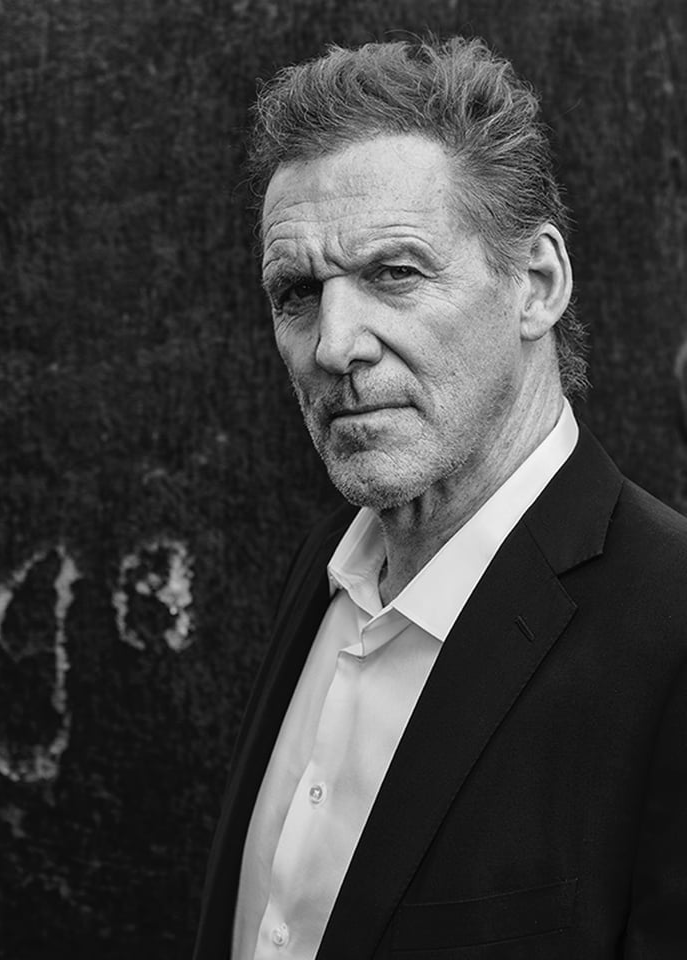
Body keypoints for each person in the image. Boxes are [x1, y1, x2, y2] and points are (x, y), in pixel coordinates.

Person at [194, 36, 687, 959]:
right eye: (297, 293)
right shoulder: (323, 572)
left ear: (536, 285)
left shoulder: (671, 628)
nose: (335, 345)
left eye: (395, 273)